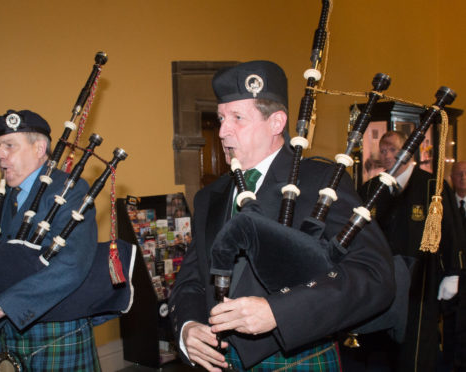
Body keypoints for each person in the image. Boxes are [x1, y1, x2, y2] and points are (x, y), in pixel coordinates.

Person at [168, 60, 396, 372]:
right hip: (219, 361)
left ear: (277, 122)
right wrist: (188, 328)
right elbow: (193, 278)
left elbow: (373, 275)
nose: (222, 131)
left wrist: (280, 311)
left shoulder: (321, 181)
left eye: (237, 118)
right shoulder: (211, 195)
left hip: (294, 358)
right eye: (221, 118)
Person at [0, 109, 101, 371]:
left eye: (9, 146)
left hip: (58, 330)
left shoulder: (71, 190)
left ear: (39, 149)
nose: (0, 154)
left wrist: (0, 306)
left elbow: (71, 265)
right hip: (6, 332)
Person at [352, 131, 461, 372]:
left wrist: (453, 273)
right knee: (380, 345)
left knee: (417, 342)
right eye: (383, 150)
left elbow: (451, 231)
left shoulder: (433, 185)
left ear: (408, 152)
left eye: (393, 150)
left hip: (420, 278)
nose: (387, 155)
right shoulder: (371, 188)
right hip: (382, 279)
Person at [449, 161, 466, 371]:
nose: (463, 177)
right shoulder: (444, 205)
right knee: (453, 320)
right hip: (453, 273)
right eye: (458, 173)